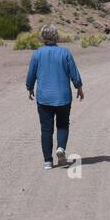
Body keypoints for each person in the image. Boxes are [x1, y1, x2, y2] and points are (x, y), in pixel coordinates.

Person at [25, 24, 84, 170]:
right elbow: (74, 73)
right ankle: (61, 148)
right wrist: (79, 87)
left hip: (44, 97)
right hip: (63, 96)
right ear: (56, 36)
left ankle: (48, 161)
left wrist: (30, 88)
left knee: (46, 129)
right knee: (63, 124)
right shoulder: (65, 53)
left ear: (42, 37)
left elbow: (31, 74)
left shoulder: (37, 53)